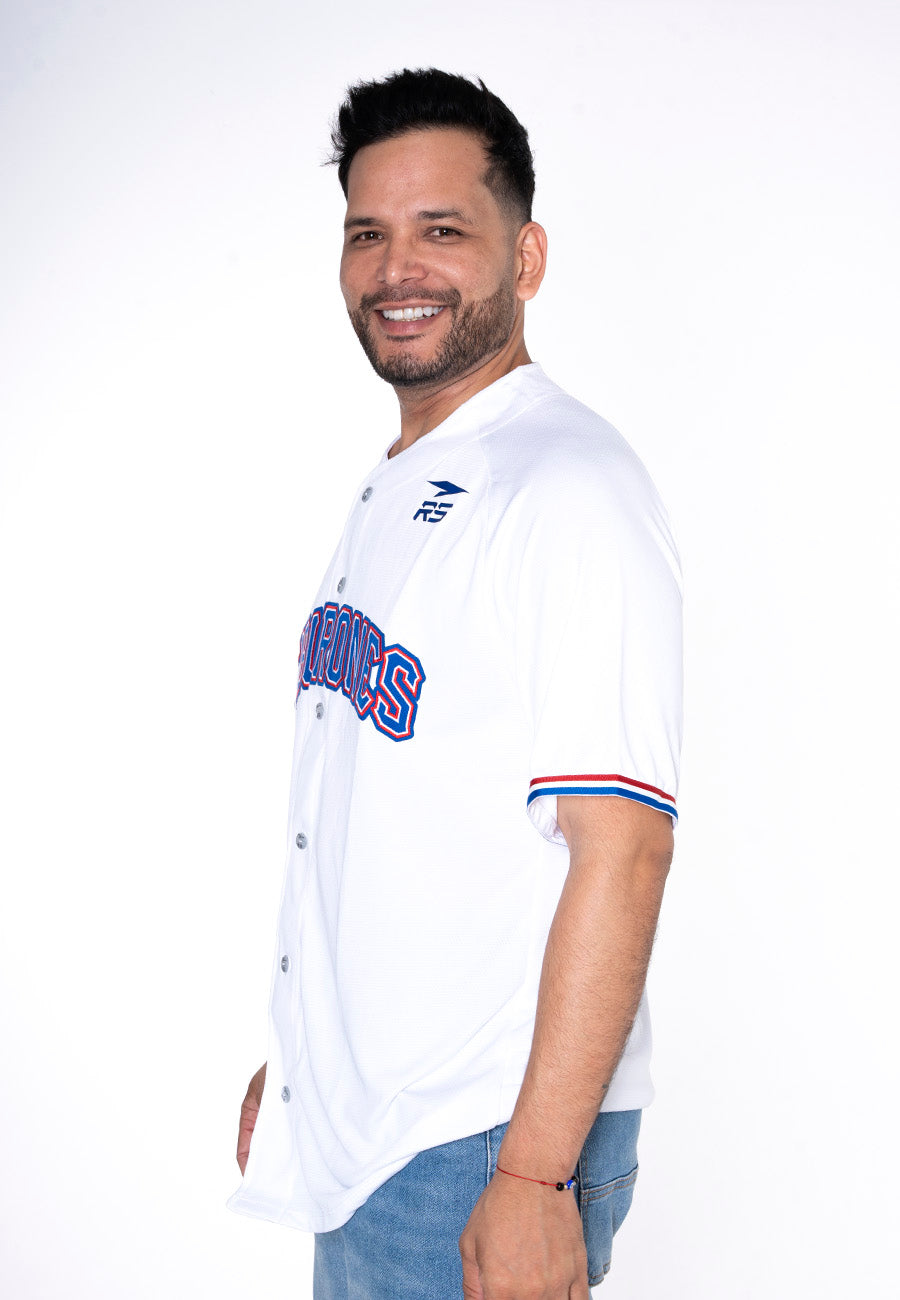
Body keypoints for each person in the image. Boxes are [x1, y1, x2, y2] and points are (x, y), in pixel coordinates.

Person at [228, 68, 682, 1300]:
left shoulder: (565, 487)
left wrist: (533, 1174)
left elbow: (624, 848)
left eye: (441, 229)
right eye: (366, 233)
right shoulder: (410, 475)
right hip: (386, 1125)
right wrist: (310, 1059)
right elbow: (395, 817)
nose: (396, 269)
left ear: (524, 257)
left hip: (483, 1139)